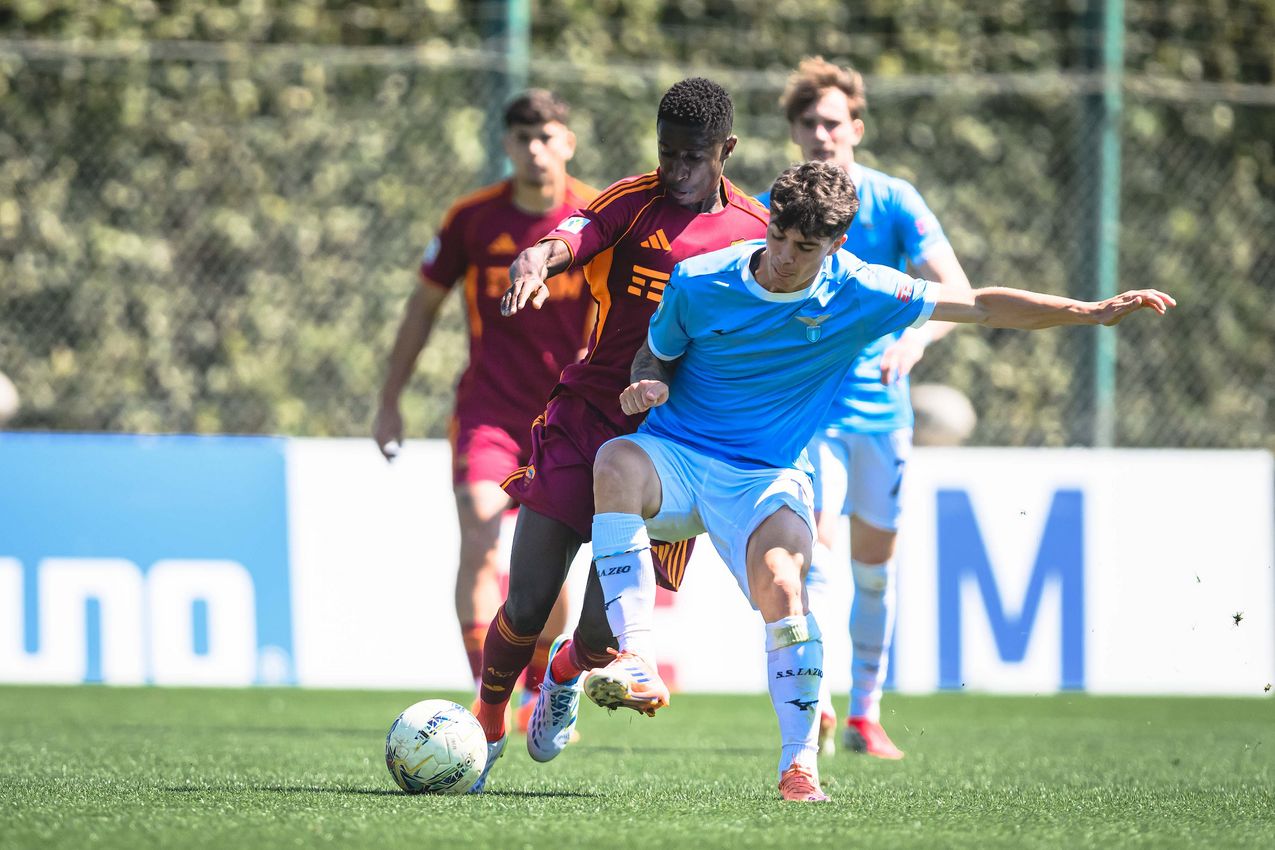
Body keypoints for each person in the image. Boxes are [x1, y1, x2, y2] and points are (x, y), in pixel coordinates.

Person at [584, 160, 1173, 802]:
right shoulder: (700, 278)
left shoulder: (861, 290)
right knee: (614, 461)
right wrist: (649, 383)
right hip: (679, 456)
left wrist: (1087, 312)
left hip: (763, 476)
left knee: (786, 585)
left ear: (836, 244)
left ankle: (799, 765)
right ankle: (637, 657)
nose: (784, 256)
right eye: (778, 235)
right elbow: (656, 353)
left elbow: (979, 305)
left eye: (805, 247)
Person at [471, 77, 770, 791]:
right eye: (667, 153)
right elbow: (571, 237)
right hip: (587, 423)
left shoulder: (755, 234)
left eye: (693, 157)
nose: (676, 169)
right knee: (526, 601)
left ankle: (564, 676)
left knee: (602, 638)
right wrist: (535, 261)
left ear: (725, 150)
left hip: (673, 452)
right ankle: (485, 724)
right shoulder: (632, 202)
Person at [757, 57, 974, 758]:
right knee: (815, 553)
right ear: (794, 130)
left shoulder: (894, 199)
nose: (821, 133)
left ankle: (865, 713)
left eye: (833, 121)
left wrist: (917, 339)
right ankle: (815, 699)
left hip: (882, 409)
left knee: (875, 571)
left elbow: (956, 291)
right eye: (808, 122)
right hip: (810, 409)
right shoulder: (775, 205)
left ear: (856, 127)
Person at [373, 89, 594, 730]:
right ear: (505, 144)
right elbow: (423, 308)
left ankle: (536, 690)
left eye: (546, 136)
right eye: (522, 136)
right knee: (478, 526)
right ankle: (485, 697)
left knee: (545, 564)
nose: (535, 149)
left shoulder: (594, 217)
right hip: (489, 413)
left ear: (568, 142)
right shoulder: (471, 219)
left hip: (565, 418)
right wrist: (389, 401)